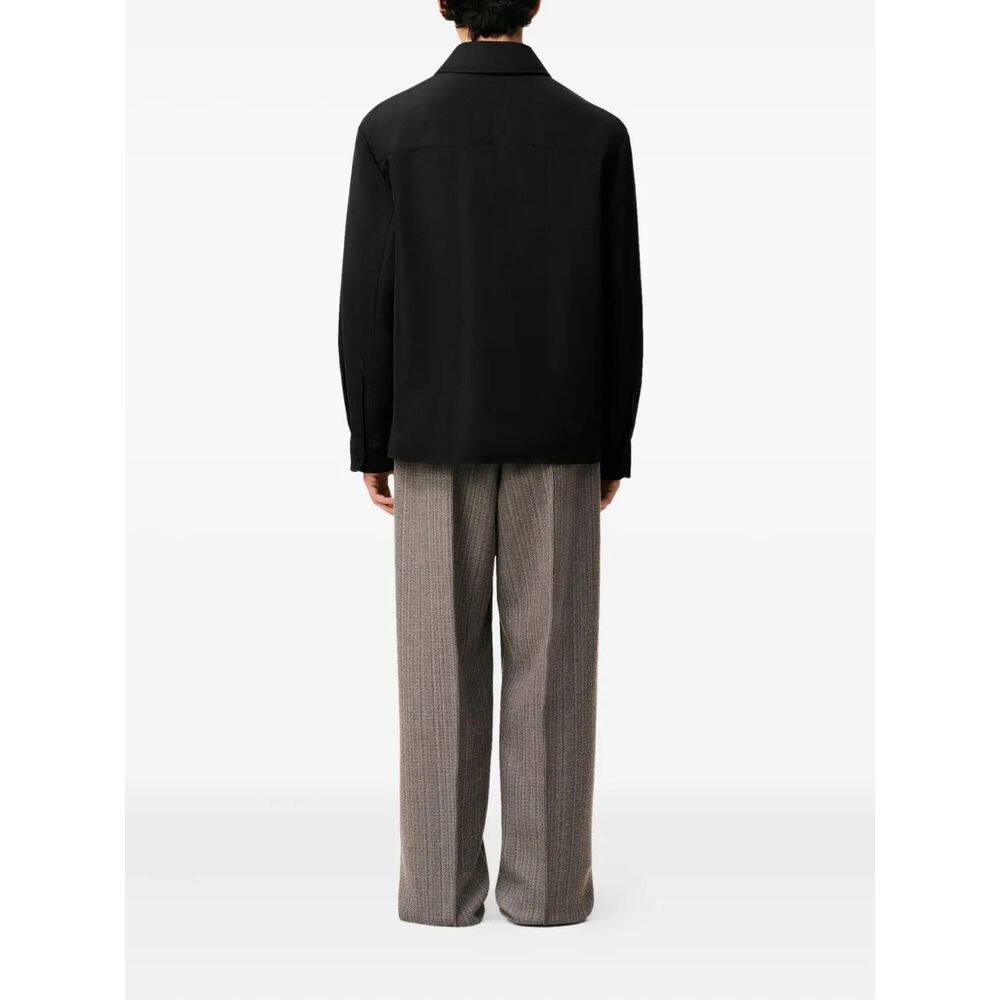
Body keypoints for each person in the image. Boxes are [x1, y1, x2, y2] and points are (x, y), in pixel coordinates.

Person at [338, 0, 642, 927]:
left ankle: (439, 891)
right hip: (562, 439)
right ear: (534, 6)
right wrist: (614, 441)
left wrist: (370, 437)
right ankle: (547, 893)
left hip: (433, 439)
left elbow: (367, 298)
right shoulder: (595, 133)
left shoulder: (392, 130)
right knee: (557, 672)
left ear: (447, 7)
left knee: (438, 670)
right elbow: (621, 303)